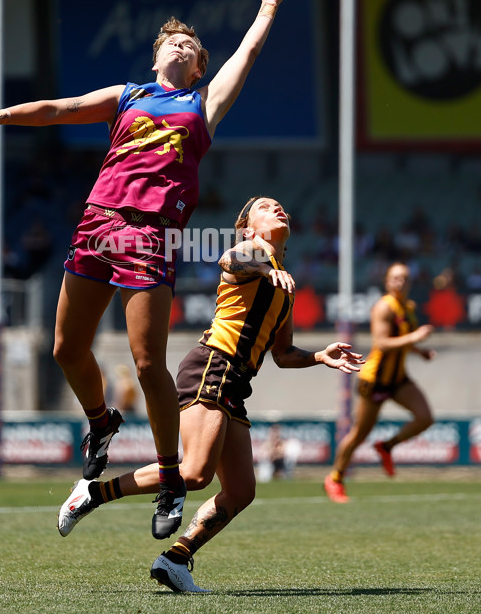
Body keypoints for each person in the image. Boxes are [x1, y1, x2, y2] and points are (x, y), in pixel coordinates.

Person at [0, 0, 303, 533]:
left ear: (198, 68)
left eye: (190, 46)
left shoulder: (202, 104)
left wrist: (265, 9)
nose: (180, 46)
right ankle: (101, 424)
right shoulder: (127, 95)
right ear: (156, 56)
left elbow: (249, 54)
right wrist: (1, 114)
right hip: (99, 225)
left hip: (151, 235)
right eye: (172, 41)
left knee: (148, 363)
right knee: (67, 349)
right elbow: (57, 108)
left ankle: (170, 481)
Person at [57, 196, 363, 592]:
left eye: (280, 205)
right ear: (248, 227)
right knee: (196, 473)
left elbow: (283, 354)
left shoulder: (283, 281)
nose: (278, 208)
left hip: (235, 383)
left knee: (240, 491)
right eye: (266, 207)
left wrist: (320, 355)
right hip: (212, 367)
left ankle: (175, 560)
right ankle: (92, 493)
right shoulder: (254, 255)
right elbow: (230, 261)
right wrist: (268, 266)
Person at [324, 262, 435, 504]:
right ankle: (335, 478)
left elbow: (402, 338)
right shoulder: (383, 307)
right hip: (374, 380)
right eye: (396, 278)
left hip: (398, 379)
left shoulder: (409, 307)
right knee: (359, 434)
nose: (400, 282)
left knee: (425, 417)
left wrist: (419, 351)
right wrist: (415, 338)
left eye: (404, 278)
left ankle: (386, 446)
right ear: (387, 281)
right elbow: (382, 343)